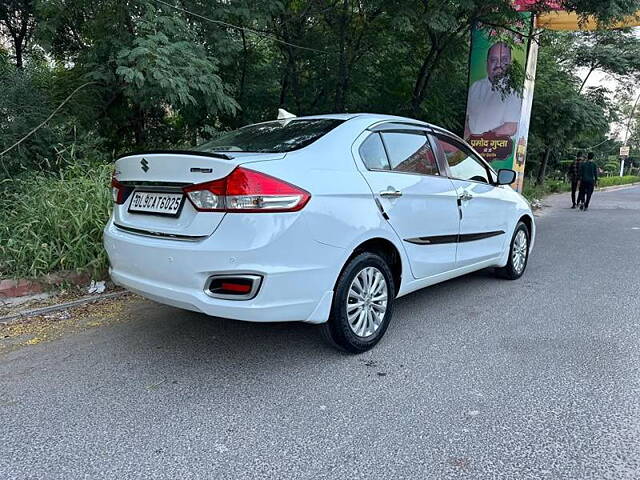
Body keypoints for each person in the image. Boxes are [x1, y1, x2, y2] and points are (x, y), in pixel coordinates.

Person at [465, 42, 522, 138]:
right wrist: (469, 140)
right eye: (493, 60)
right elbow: (466, 119)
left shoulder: (514, 90)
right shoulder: (475, 87)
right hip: (470, 148)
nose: (499, 64)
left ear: (510, 63)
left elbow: (510, 128)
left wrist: (478, 141)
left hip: (498, 150)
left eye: (504, 60)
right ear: (487, 63)